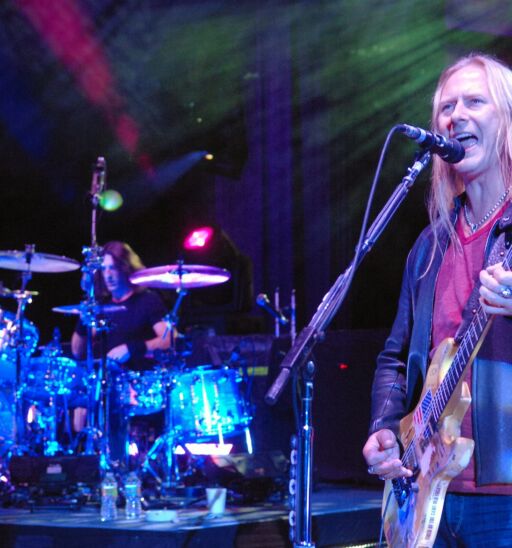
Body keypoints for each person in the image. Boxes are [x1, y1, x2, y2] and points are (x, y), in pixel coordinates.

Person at [362, 52, 512, 546]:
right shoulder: (429, 246)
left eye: (475, 101)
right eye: (447, 107)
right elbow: (395, 354)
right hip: (429, 490)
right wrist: (385, 428)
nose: (456, 117)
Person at [71, 241, 171, 463]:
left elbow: (169, 339)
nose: (109, 275)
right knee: (77, 407)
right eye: (104, 269)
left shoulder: (147, 301)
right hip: (103, 383)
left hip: (138, 383)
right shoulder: (102, 306)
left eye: (113, 268)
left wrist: (134, 348)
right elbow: (78, 351)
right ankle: (88, 461)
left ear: (126, 268)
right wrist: (84, 315)